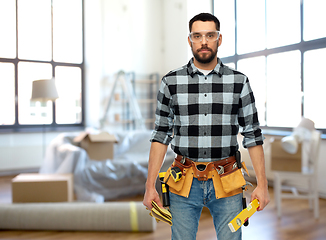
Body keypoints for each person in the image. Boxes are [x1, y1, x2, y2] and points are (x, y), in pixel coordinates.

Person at [143, 12, 270, 240]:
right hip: (183, 180)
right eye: (197, 36)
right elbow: (161, 134)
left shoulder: (239, 82)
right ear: (190, 39)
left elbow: (253, 134)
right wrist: (149, 185)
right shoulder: (170, 83)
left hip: (228, 180)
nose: (204, 41)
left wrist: (262, 184)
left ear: (219, 39)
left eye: (210, 35)